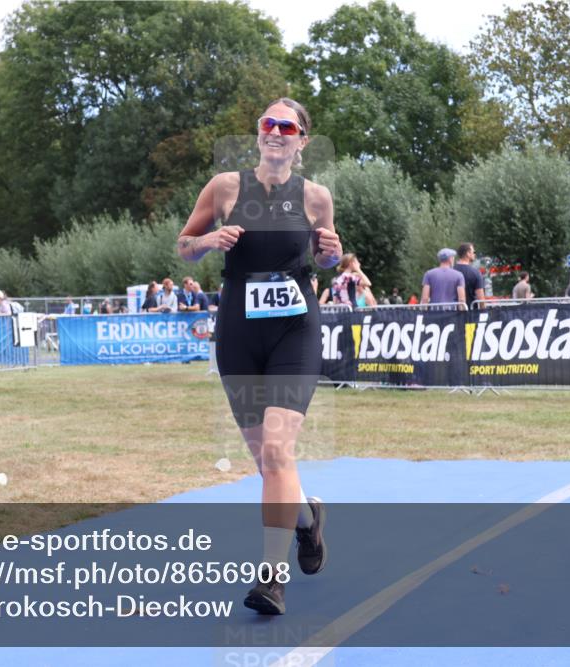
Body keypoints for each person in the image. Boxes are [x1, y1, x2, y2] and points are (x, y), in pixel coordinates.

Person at [176, 97, 339, 615]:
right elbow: (183, 245)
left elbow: (324, 257)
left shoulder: (316, 197)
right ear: (259, 134)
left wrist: (331, 254)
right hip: (239, 331)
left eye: (285, 126)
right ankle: (308, 521)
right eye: (267, 123)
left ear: (301, 141)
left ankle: (271, 578)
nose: (275, 131)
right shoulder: (225, 187)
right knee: (267, 462)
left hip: (295, 329)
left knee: (275, 452)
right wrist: (207, 240)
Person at [453, 242, 485, 308]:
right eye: (473, 252)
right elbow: (481, 298)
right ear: (468, 253)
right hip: (471, 313)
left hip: (453, 312)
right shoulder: (475, 273)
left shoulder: (452, 270)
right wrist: (483, 312)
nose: (474, 255)